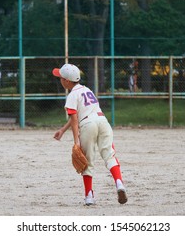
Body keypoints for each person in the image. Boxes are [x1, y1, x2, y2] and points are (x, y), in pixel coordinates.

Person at [52, 63, 128, 206]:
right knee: (109, 155)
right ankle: (119, 183)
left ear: (67, 81)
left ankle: (89, 196)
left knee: (87, 161)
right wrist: (62, 130)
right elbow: (81, 113)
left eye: (61, 78)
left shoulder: (72, 95)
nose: (60, 80)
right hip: (103, 122)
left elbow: (75, 119)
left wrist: (76, 142)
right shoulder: (87, 90)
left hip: (88, 125)